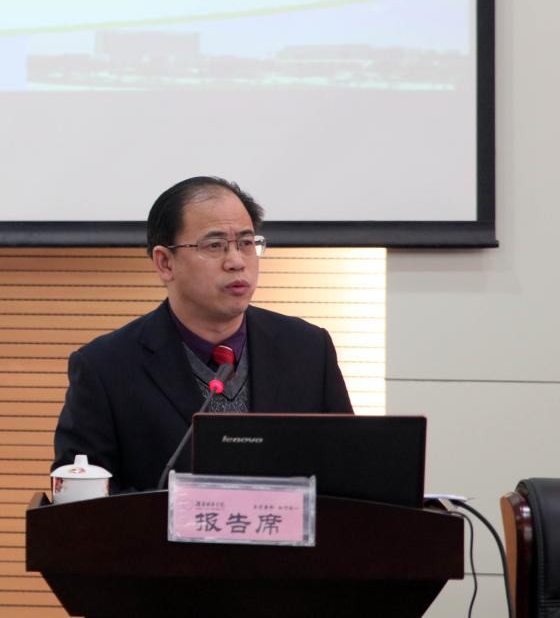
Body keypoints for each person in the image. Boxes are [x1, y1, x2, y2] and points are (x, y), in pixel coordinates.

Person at [52, 176, 352, 492]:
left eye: (246, 243)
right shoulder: (105, 368)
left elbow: (348, 472)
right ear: (165, 263)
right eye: (214, 245)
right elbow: (80, 497)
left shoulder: (308, 350)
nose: (236, 261)